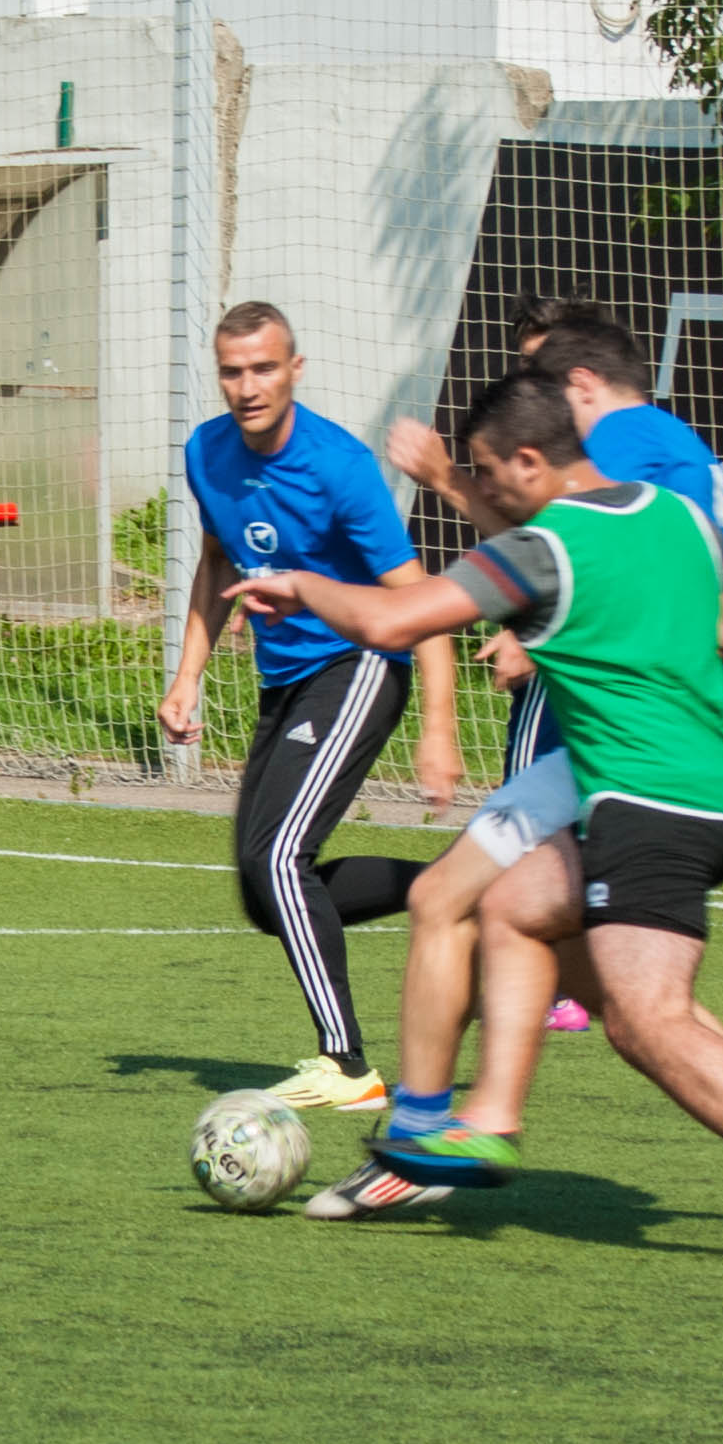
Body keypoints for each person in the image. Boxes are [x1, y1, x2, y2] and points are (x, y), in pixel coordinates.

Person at [228, 372, 723, 1268]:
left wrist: (302, 584)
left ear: (529, 460)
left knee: (645, 1020)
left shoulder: (544, 548)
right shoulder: (680, 515)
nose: (481, 491)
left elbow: (397, 619)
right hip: (709, 780)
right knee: (510, 907)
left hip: (650, 805)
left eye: (487, 473)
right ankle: (484, 1121)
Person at [157, 301, 462, 1112]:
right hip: (282, 681)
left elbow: (423, 601)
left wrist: (439, 728)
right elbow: (217, 562)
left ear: (295, 369)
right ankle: (457, 887)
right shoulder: (206, 452)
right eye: (232, 371)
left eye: (264, 368)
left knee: (280, 855)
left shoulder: (339, 467)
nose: (248, 386)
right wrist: (188, 677)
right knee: (265, 894)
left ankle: (347, 1064)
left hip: (360, 663)